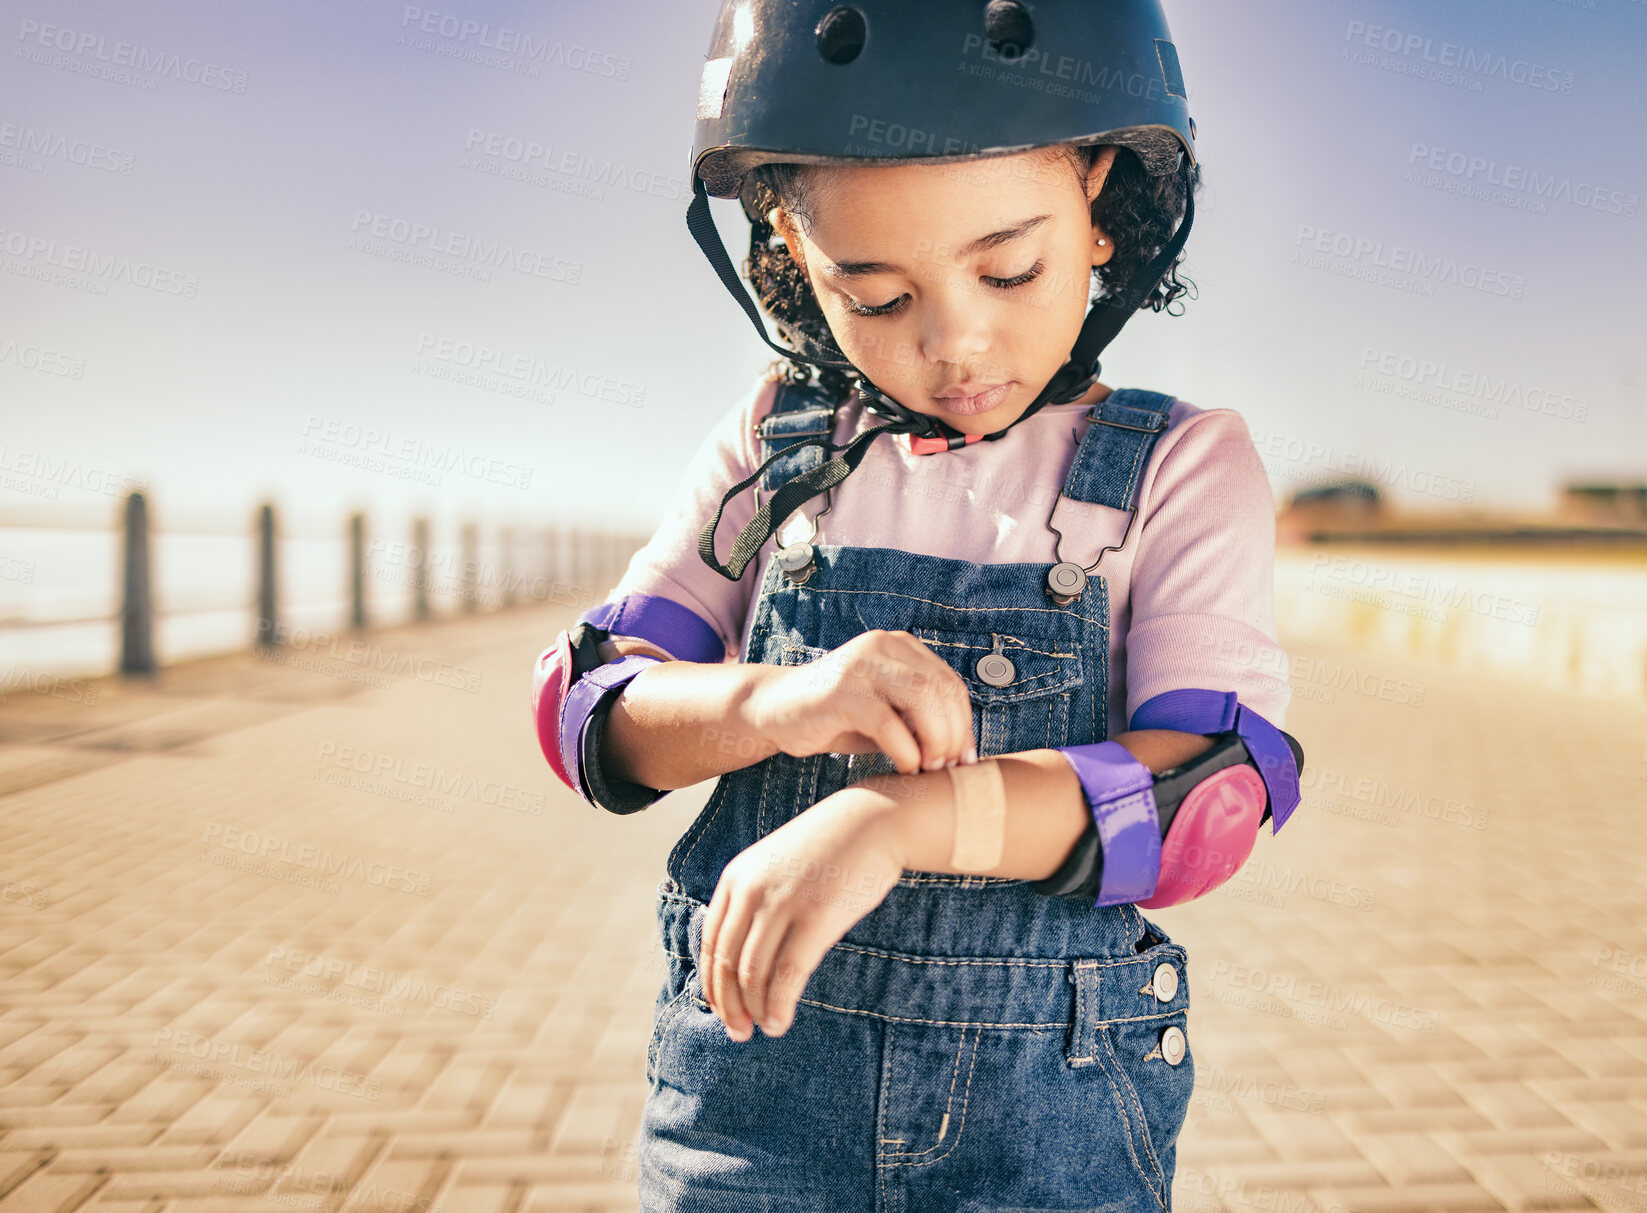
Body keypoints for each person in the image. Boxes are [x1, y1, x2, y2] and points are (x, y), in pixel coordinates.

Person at [532, 2, 1304, 1208]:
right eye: (878, 296)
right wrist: (777, 702)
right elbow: (588, 710)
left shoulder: (1179, 466)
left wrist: (897, 821)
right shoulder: (774, 446)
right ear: (788, 241)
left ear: (1101, 201)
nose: (956, 344)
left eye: (1010, 268)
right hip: (744, 1119)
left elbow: (1208, 795)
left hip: (1047, 1127)